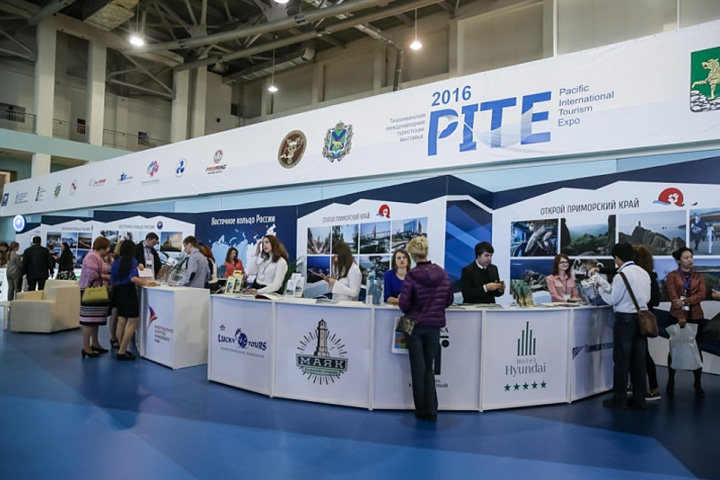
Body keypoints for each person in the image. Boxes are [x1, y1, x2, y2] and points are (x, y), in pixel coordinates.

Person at [398, 236, 454, 421]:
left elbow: (404, 305)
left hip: (415, 326)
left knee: (417, 369)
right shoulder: (442, 273)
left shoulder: (412, 275)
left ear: (412, 255)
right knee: (429, 369)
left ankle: (421, 410)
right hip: (434, 327)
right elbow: (449, 300)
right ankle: (432, 409)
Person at [594, 242, 650, 409]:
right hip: (641, 319)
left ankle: (619, 398)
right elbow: (646, 298)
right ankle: (639, 398)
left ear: (617, 258)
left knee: (621, 360)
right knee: (639, 361)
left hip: (624, 320)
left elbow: (613, 299)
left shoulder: (622, 275)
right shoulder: (643, 272)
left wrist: (600, 289)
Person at [665, 247, 707, 397]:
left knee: (697, 349)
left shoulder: (698, 276)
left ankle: (697, 383)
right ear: (678, 261)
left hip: (696, 316)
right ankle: (671, 380)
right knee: (674, 348)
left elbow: (702, 294)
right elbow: (673, 297)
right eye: (686, 257)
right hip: (676, 316)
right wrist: (680, 316)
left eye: (691, 257)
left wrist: (685, 301)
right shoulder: (672, 276)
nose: (690, 260)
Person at [111, 241, 156, 360]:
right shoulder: (132, 261)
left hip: (119, 292)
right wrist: (147, 283)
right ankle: (122, 351)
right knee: (133, 322)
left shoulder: (116, 262)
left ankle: (121, 348)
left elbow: (113, 279)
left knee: (121, 320)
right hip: (129, 292)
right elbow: (133, 278)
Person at [633, 245, 661, 401]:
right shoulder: (651, 276)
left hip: (640, 317)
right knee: (638, 352)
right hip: (642, 315)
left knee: (643, 353)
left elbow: (654, 300)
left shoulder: (646, 277)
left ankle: (653, 387)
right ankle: (644, 385)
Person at [79, 237, 112, 358]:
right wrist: (106, 277)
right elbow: (91, 274)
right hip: (91, 291)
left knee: (94, 320)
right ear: (103, 248)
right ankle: (86, 347)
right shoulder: (92, 257)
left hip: (95, 291)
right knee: (88, 320)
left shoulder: (97, 257)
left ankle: (95, 343)